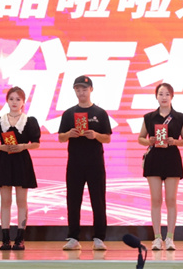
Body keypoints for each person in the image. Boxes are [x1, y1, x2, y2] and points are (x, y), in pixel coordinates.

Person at [57, 75, 112, 251]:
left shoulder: (100, 113)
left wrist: (95, 135)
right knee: (73, 200)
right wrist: (69, 134)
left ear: (91, 90)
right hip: (75, 163)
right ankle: (73, 237)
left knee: (98, 200)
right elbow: (60, 137)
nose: (81, 92)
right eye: (78, 89)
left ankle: (99, 238)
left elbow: (107, 138)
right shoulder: (69, 113)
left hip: (95, 163)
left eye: (84, 89)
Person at [138, 83, 183, 251]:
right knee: (156, 199)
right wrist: (149, 141)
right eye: (161, 94)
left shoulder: (180, 117)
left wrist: (175, 142)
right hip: (154, 159)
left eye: (167, 94)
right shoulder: (149, 117)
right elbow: (141, 138)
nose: (164, 97)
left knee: (171, 199)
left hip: (172, 159)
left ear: (172, 96)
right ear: (156, 96)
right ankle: (157, 238)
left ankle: (170, 238)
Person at [0, 86, 41, 250]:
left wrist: (23, 146)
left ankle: (20, 238)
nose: (14, 102)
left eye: (18, 99)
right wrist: (2, 147)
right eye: (11, 99)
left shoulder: (30, 121)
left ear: (23, 102)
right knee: (5, 201)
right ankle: (5, 239)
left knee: (21, 201)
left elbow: (36, 143)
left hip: (22, 161)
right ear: (7, 101)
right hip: (5, 160)